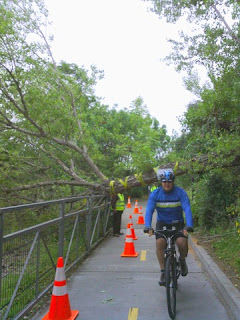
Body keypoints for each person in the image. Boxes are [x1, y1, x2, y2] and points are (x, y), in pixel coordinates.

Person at [144, 170, 194, 286]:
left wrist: (189, 225)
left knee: (182, 243)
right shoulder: (155, 194)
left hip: (178, 224)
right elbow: (149, 211)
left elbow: (187, 208)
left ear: (173, 182)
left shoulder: (180, 193)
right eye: (165, 181)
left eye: (169, 181)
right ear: (161, 182)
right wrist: (148, 226)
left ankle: (182, 260)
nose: (167, 184)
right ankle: (163, 271)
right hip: (162, 224)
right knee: (160, 244)